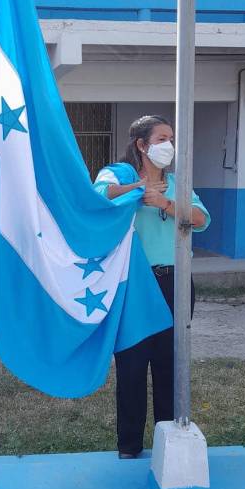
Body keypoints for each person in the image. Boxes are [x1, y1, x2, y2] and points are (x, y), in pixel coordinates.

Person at [94, 114, 211, 459]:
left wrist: (166, 203)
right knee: (131, 364)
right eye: (161, 139)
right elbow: (101, 194)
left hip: (175, 283)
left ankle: (167, 441)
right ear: (141, 145)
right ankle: (129, 446)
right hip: (134, 286)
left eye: (171, 138)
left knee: (169, 364)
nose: (169, 146)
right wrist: (139, 191)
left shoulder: (178, 181)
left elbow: (201, 219)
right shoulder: (120, 173)